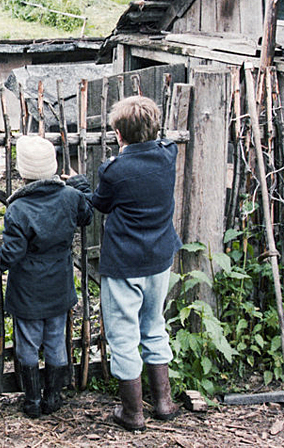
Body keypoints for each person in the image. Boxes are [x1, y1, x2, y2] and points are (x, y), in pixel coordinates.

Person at [91, 95, 182, 431]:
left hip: (125, 262)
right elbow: (160, 142)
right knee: (153, 325)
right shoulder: (168, 154)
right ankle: (163, 402)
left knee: (124, 335)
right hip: (159, 257)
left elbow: (100, 204)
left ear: (119, 134)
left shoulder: (115, 170)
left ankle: (133, 413)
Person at [0, 135, 93, 418]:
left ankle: (32, 401)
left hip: (28, 288)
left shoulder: (18, 208)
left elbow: (12, 254)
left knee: (27, 341)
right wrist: (82, 185)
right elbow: (87, 214)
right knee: (55, 340)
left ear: (22, 171)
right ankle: (53, 397)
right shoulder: (70, 197)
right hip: (59, 284)